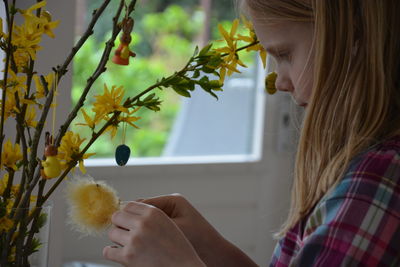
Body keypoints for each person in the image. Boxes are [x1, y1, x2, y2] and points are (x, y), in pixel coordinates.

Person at [103, 0, 400, 266]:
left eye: (284, 54)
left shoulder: (375, 186)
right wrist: (211, 248)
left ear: (351, 36)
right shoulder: (358, 173)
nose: (279, 81)